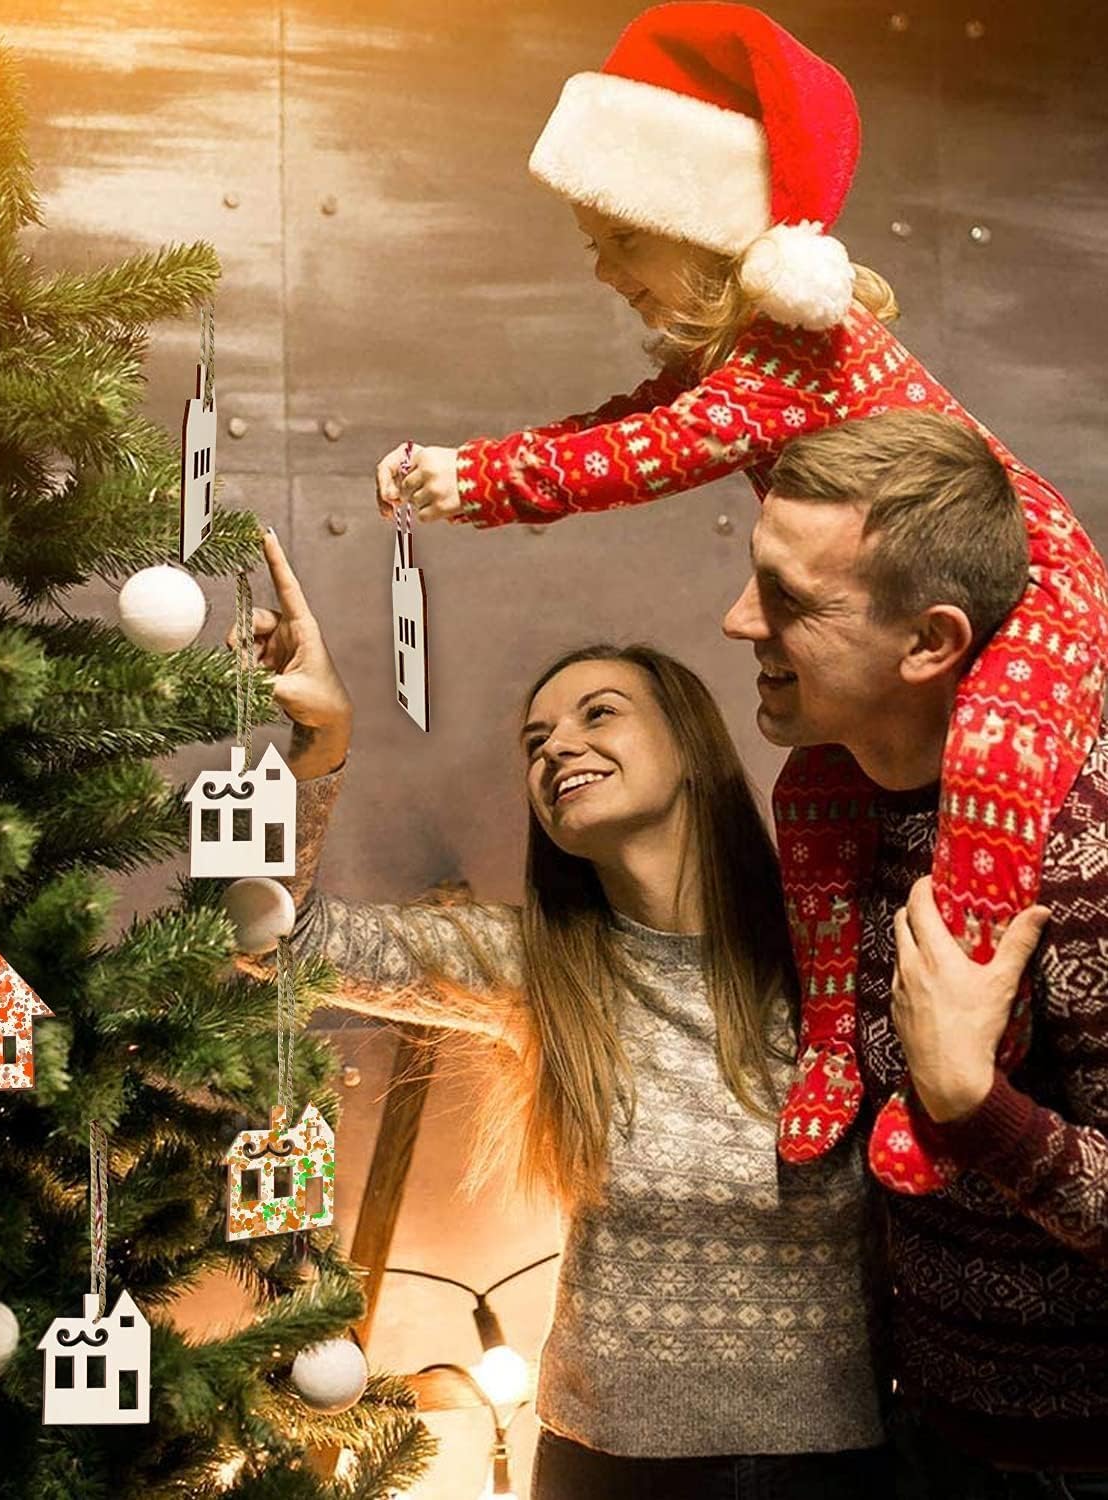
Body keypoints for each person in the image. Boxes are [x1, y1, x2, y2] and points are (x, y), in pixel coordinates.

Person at [370, 2, 1107, 1190]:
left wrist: (475, 480)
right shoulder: (745, 360)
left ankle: (959, 1068)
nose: (598, 266)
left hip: (1038, 590)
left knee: (995, 782)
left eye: (618, 238)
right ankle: (828, 1057)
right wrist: (479, 466)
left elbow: (641, 458)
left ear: (703, 237)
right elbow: (637, 424)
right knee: (814, 793)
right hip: (919, 602)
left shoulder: (799, 359)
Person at [232, 528, 892, 1499]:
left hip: (825, 1466)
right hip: (596, 1467)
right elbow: (276, 943)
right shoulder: (538, 969)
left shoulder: (837, 950)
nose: (558, 750)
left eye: (598, 714)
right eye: (537, 743)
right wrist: (319, 746)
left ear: (693, 743)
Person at [721, 408, 1108, 1495]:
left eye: (790, 600)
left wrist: (966, 1098)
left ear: (931, 642)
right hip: (935, 1432)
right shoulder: (849, 806)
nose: (735, 619)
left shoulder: (1080, 859)